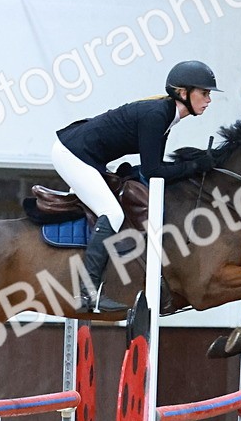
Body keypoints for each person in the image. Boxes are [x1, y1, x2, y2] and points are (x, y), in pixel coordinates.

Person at [52, 60, 222, 312]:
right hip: (73, 154)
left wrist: (193, 165)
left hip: (88, 155)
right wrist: (196, 166)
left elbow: (153, 170)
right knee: (112, 213)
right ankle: (87, 294)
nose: (209, 100)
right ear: (183, 93)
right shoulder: (157, 115)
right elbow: (154, 171)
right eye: (204, 93)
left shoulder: (167, 116)